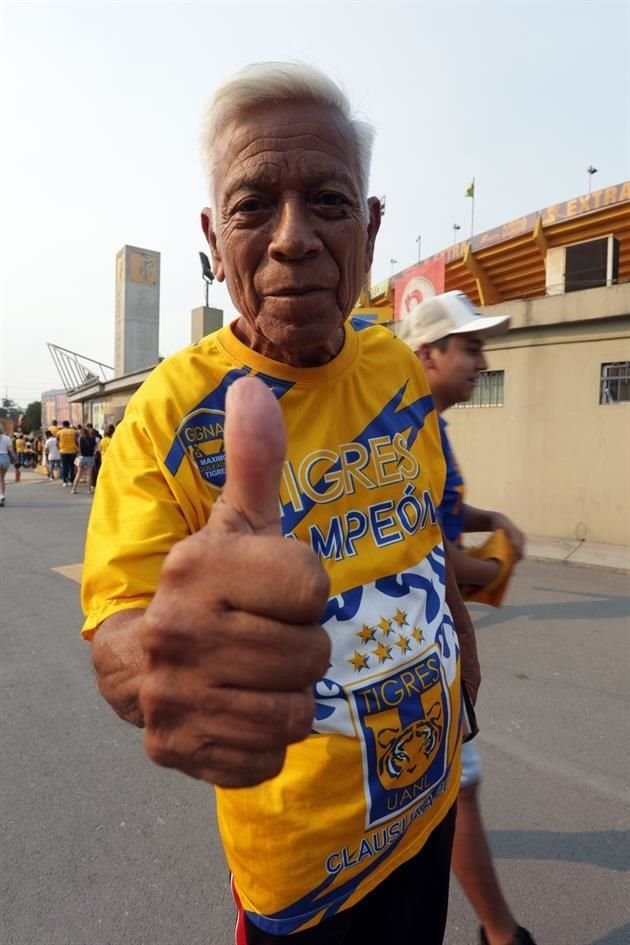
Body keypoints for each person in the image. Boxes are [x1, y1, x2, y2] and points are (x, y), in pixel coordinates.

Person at [81, 62, 482, 945]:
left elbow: (421, 534)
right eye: (253, 204)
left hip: (428, 808)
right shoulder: (164, 418)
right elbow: (121, 630)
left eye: (329, 202)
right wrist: (158, 666)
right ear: (213, 235)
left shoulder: (392, 367)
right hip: (305, 881)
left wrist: (466, 660)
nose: (292, 238)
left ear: (370, 229)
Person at [397, 290, 535, 945]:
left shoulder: (436, 426)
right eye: (470, 345)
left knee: (453, 791)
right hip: (422, 644)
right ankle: (503, 933)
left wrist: (494, 522)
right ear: (428, 353)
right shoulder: (406, 426)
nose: (482, 358)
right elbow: (424, 544)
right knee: (462, 790)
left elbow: (447, 511)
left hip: (442, 638)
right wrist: (494, 566)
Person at [71, 425, 97, 494]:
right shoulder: (92, 438)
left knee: (79, 474)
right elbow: (95, 448)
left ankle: (74, 489)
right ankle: (89, 490)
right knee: (89, 474)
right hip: (90, 457)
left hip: (82, 457)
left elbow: (79, 448)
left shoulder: (80, 438)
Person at [0, 422, 18, 506]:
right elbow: (11, 450)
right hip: (5, 459)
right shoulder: (7, 438)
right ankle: (2, 495)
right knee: (2, 479)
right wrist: (16, 460)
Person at [57, 420, 78, 487]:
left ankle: (65, 481)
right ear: (69, 425)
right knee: (72, 466)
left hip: (63, 451)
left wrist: (59, 449)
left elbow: (57, 443)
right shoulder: (74, 432)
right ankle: (72, 481)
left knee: (64, 466)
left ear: (63, 425)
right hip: (72, 451)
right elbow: (77, 441)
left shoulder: (59, 432)